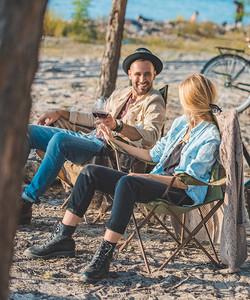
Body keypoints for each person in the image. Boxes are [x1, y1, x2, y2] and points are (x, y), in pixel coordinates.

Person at [23, 74, 221, 283]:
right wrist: (114, 141)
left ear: (191, 100)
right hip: (157, 180)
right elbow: (152, 155)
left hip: (181, 192)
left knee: (128, 182)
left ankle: (104, 257)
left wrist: (145, 176)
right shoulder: (182, 124)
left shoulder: (210, 135)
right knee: (91, 172)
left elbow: (187, 180)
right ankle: (63, 238)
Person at [20, 48, 166, 225]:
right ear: (129, 74)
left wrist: (118, 126)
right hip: (90, 137)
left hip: (109, 150)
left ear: (155, 75)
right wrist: (61, 113)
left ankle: (26, 201)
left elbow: (151, 136)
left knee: (59, 141)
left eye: (147, 74)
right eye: (138, 74)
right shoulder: (121, 93)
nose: (142, 80)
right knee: (29, 131)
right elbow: (95, 119)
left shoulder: (154, 100)